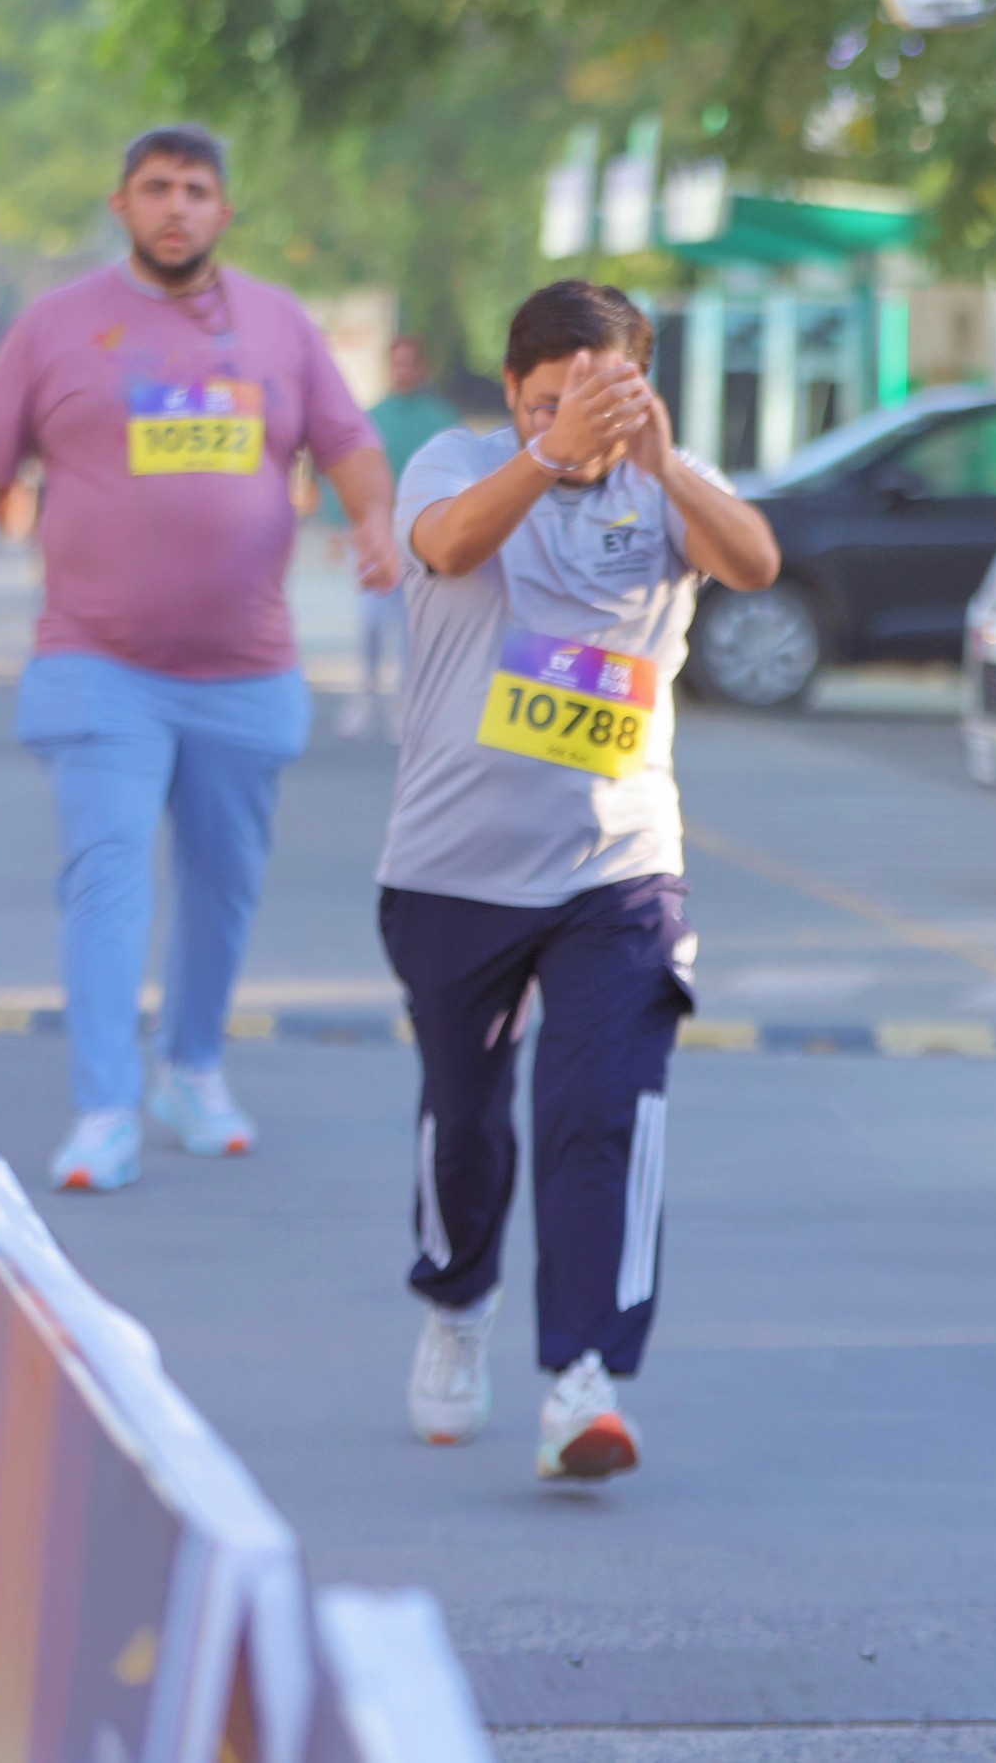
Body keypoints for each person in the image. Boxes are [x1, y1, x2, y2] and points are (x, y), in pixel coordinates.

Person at [0, 125, 398, 1193]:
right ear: (122, 205)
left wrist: (375, 522)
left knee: (225, 887)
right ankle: (105, 1107)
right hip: (98, 662)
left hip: (246, 667)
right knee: (106, 874)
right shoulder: (56, 326)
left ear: (223, 211)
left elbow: (348, 443)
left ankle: (192, 1068)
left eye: (196, 190)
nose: (176, 207)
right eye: (156, 188)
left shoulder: (280, 324)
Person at [376, 281, 778, 1482]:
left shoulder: (665, 481)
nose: (572, 420)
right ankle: (458, 1302)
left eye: (598, 398)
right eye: (545, 399)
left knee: (602, 1110)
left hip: (618, 869)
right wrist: (549, 453)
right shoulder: (456, 464)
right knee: (465, 1120)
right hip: (455, 866)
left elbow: (754, 563)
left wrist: (661, 460)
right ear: (512, 392)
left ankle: (585, 1376)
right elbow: (449, 546)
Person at [335, 333, 461, 737]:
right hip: (376, 534)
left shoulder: (440, 421)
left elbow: (460, 477)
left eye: (410, 363)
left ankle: (405, 702)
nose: (403, 371)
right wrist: (344, 525)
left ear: (422, 367)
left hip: (422, 537)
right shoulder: (371, 418)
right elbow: (349, 472)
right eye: (397, 363)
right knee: (371, 621)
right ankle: (365, 694)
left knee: (410, 625)